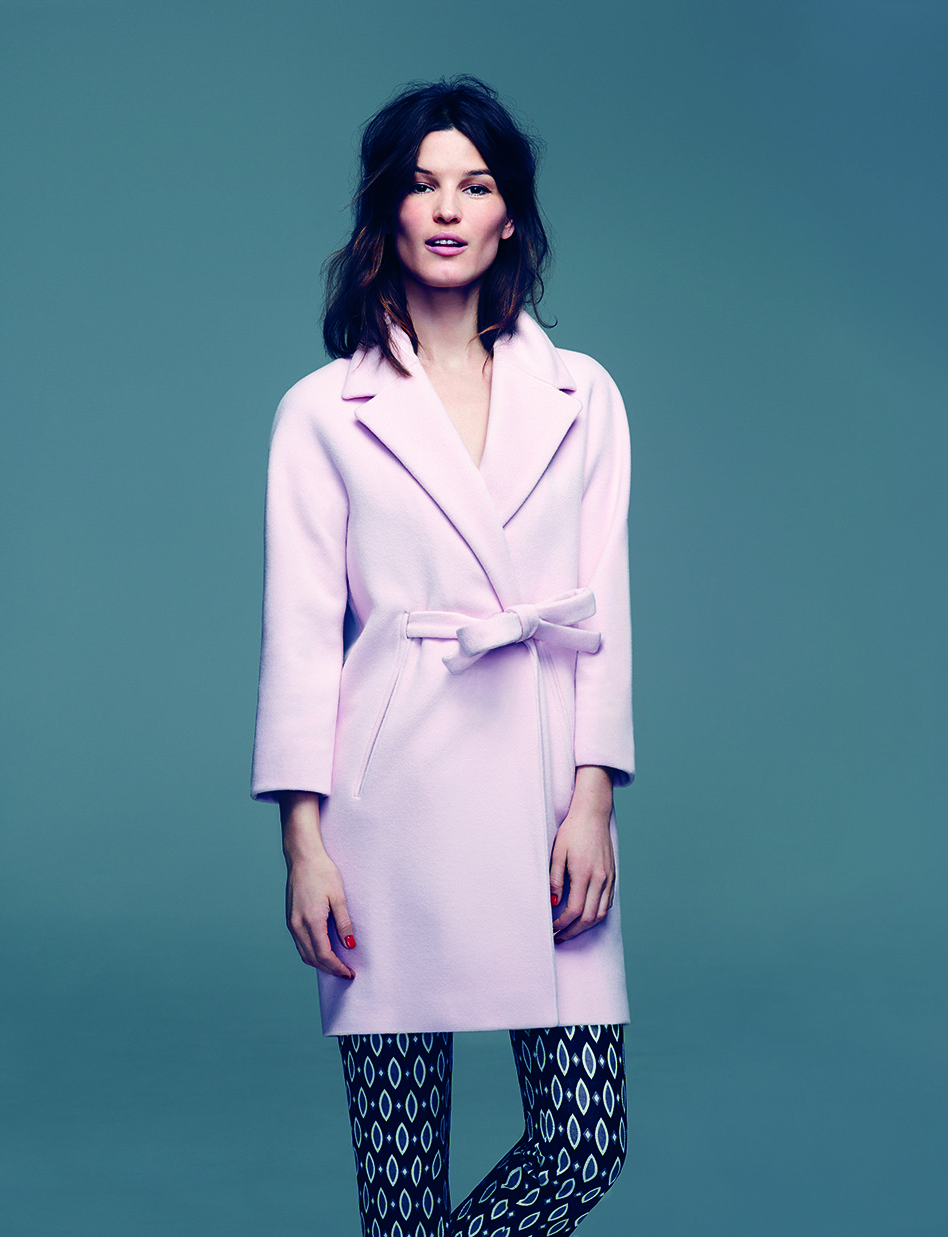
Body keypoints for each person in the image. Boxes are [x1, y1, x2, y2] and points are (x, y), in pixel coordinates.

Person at [251, 76, 634, 1237]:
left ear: (510, 213)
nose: (450, 208)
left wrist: (592, 804)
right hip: (390, 808)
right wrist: (303, 844)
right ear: (389, 210)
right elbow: (301, 636)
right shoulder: (323, 410)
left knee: (581, 1142)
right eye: (422, 186)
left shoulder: (582, 395)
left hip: (544, 800)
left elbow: (605, 612)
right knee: (400, 1194)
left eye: (475, 184)